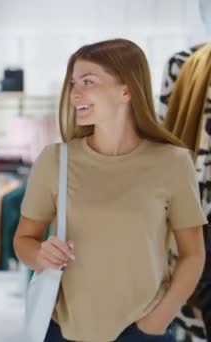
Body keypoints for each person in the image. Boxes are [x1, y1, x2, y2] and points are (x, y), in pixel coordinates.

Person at [14, 38, 207, 342]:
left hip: (142, 332)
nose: (75, 93)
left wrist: (158, 320)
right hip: (63, 331)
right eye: (73, 83)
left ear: (126, 90)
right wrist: (40, 254)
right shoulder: (55, 160)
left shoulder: (172, 162)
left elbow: (193, 254)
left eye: (88, 81)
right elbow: (23, 241)